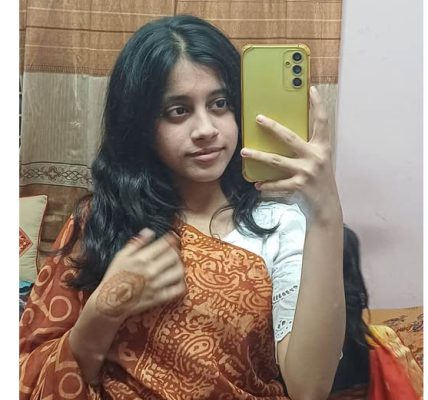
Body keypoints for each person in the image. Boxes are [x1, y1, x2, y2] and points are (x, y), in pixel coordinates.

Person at [19, 14, 347, 399]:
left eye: (220, 103)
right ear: (141, 125)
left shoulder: (279, 223)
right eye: (178, 110)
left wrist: (326, 213)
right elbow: (27, 374)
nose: (206, 129)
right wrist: (104, 310)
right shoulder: (101, 220)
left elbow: (309, 388)